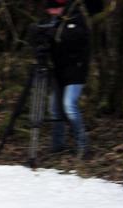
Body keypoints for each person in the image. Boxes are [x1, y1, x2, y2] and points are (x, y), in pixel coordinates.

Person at [43, 0, 91, 159]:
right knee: (55, 109)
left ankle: (83, 146)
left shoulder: (76, 17)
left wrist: (54, 34)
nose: (51, 13)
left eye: (53, 9)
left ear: (60, 7)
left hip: (76, 71)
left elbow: (77, 39)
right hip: (59, 72)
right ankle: (58, 145)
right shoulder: (54, 21)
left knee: (69, 106)